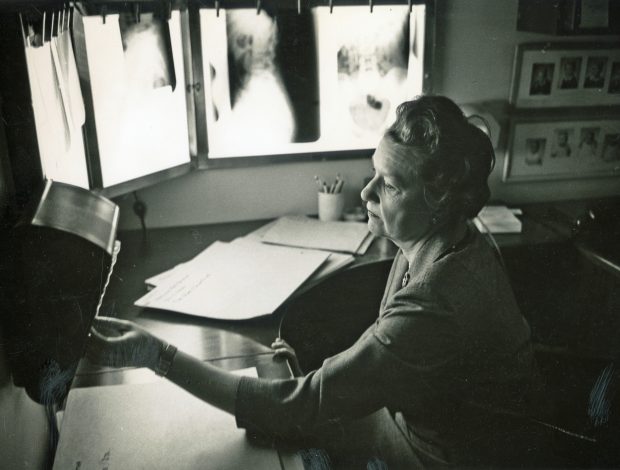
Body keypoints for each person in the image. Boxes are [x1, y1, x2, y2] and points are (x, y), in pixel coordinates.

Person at [88, 96, 542, 468]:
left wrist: (155, 355)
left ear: (441, 202)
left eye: (389, 186)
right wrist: (327, 374)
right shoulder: (453, 242)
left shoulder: (435, 301)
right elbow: (400, 360)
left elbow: (296, 407)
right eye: (373, 174)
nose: (365, 194)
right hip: (422, 425)